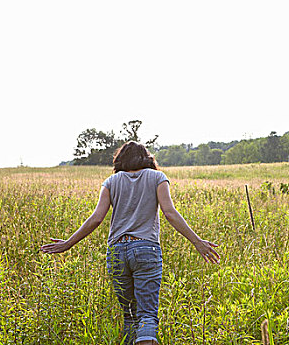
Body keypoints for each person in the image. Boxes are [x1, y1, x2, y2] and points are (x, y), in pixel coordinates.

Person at [40, 141, 220, 345]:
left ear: (120, 160)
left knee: (130, 315)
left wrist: (68, 243)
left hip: (117, 251)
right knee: (147, 315)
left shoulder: (111, 182)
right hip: (146, 249)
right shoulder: (158, 178)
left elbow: (97, 218)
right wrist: (196, 241)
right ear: (147, 158)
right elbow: (169, 212)